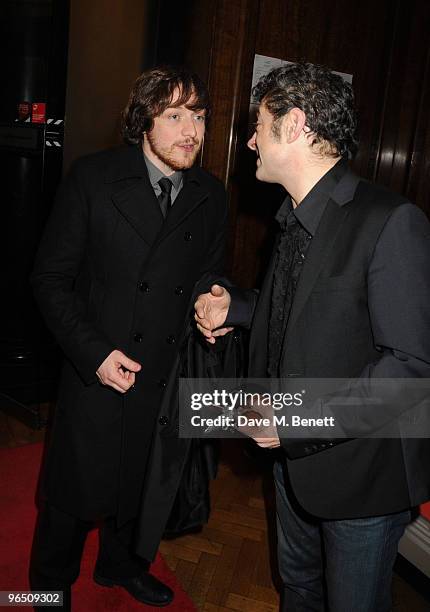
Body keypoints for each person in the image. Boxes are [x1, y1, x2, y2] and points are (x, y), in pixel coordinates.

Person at [194, 62, 430, 611]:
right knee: (299, 590)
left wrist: (295, 422)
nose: (250, 140)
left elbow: (411, 371)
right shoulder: (295, 213)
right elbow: (299, 312)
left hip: (361, 479)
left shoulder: (391, 220)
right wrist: (240, 309)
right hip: (294, 469)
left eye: (259, 125)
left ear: (295, 125)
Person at [30, 65, 228, 609]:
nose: (192, 129)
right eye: (175, 115)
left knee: (142, 486)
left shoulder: (211, 195)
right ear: (145, 121)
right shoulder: (93, 179)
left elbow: (212, 276)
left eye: (200, 116)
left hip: (162, 375)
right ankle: (48, 588)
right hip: (97, 368)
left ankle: (121, 567)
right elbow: (49, 280)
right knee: (72, 496)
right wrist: (94, 354)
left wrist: (217, 302)